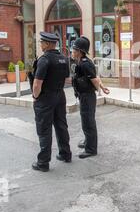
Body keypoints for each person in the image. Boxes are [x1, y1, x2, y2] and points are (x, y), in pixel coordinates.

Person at [31, 32, 72, 172]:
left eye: (41, 42)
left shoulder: (44, 60)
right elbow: (67, 79)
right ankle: (65, 154)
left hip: (46, 98)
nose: (40, 44)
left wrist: (35, 97)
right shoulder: (63, 59)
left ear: (47, 44)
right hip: (60, 95)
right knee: (61, 125)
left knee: (44, 129)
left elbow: (37, 84)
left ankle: (43, 162)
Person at [71, 36, 110, 159]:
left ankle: (91, 149)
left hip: (87, 96)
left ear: (79, 51)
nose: (72, 52)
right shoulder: (82, 62)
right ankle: (88, 141)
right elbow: (94, 76)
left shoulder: (85, 64)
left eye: (74, 49)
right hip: (84, 95)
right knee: (85, 121)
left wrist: (100, 88)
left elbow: (94, 79)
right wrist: (102, 87)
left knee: (88, 122)